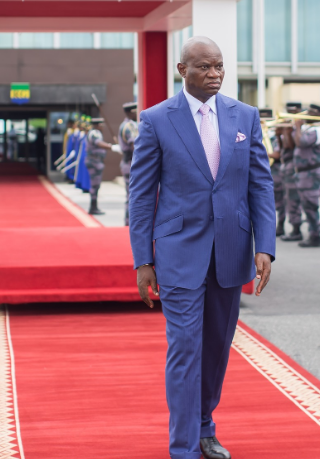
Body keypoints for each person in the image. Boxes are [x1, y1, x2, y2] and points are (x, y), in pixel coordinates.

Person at [129, 36, 275, 459]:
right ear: (183, 71)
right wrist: (144, 260)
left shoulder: (244, 116)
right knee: (185, 348)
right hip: (179, 253)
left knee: (215, 348)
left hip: (230, 251)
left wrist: (265, 244)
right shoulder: (156, 120)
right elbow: (141, 196)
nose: (214, 75)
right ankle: (183, 447)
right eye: (205, 68)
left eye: (219, 67)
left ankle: (206, 426)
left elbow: (260, 184)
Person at [291, 104, 320, 248]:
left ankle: (315, 236)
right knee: (306, 205)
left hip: (311, 173)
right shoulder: (308, 129)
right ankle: (312, 234)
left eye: (311, 112)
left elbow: (301, 143)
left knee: (311, 205)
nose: (307, 114)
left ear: (318, 115)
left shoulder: (317, 130)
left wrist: (298, 127)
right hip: (303, 173)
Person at [280, 102, 305, 241]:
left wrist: (295, 128)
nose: (291, 114)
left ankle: (297, 229)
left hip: (297, 168)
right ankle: (294, 227)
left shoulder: (303, 127)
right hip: (288, 168)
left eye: (294, 111)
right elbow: (286, 146)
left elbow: (297, 144)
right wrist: (282, 132)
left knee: (294, 200)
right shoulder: (290, 127)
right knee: (288, 199)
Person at [259, 109, 286, 236]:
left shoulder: (276, 135)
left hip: (275, 171)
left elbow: (278, 153)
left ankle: (280, 225)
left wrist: (261, 154)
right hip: (259, 173)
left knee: (279, 201)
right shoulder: (256, 133)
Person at [85, 117, 111, 215]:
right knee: (95, 185)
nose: (102, 127)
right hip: (94, 162)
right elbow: (99, 143)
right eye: (101, 125)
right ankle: (93, 207)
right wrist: (110, 146)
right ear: (97, 125)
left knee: (96, 185)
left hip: (96, 161)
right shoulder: (94, 133)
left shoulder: (95, 132)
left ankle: (94, 206)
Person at [118, 102, 138, 225]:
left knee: (131, 194)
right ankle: (129, 221)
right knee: (132, 195)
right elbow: (135, 146)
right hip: (130, 163)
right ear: (131, 112)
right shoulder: (129, 126)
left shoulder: (128, 125)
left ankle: (129, 221)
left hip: (128, 162)